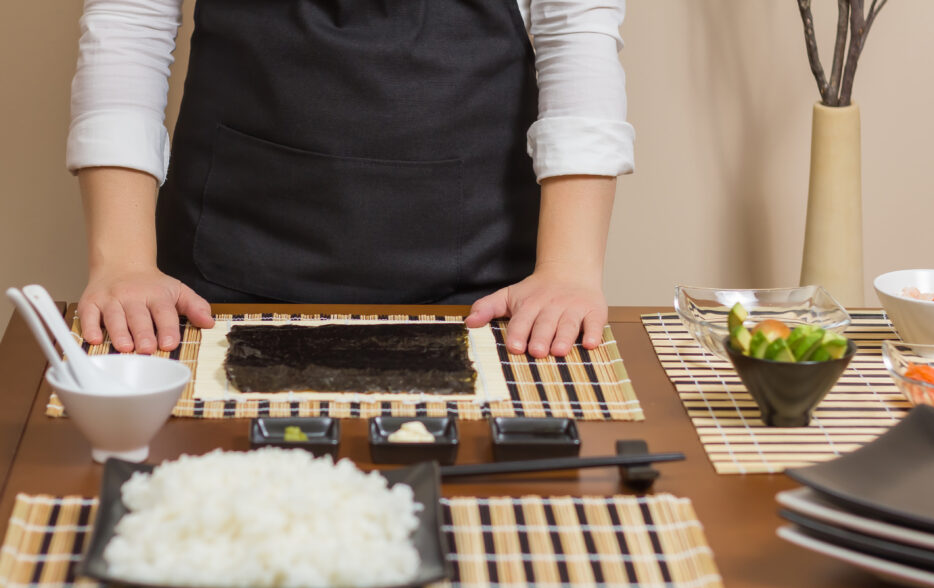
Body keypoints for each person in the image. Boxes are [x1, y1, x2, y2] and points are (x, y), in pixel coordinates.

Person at [68, 0, 634, 359]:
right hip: (223, 275)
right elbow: (128, 19)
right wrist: (122, 263)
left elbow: (575, 32)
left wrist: (569, 270)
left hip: (479, 288)